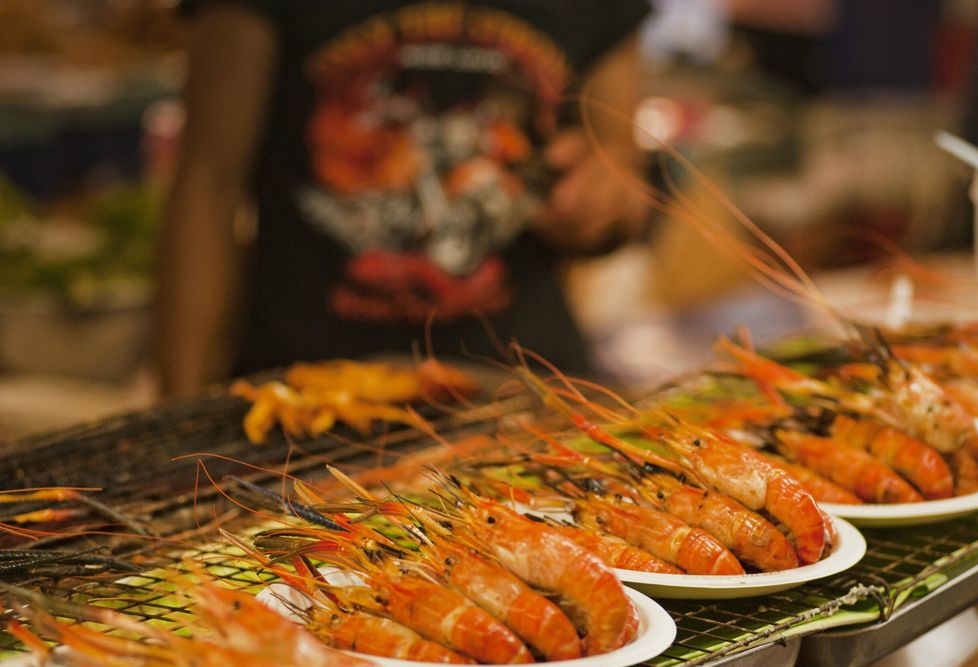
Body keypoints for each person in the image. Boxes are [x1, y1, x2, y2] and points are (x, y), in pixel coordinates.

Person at [155, 0, 651, 398]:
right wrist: (176, 410)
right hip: (309, 388)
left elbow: (622, 168)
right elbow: (207, 187)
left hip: (521, 384)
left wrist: (602, 201)